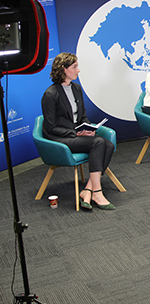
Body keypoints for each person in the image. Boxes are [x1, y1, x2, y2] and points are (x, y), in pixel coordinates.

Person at [41, 53, 116, 210]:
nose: (78, 70)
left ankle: (88, 190)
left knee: (107, 145)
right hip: (60, 138)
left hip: (76, 134)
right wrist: (75, 134)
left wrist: (88, 129)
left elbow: (82, 117)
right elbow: (50, 127)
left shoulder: (76, 89)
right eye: (74, 67)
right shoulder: (50, 94)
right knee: (98, 143)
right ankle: (97, 191)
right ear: (63, 69)